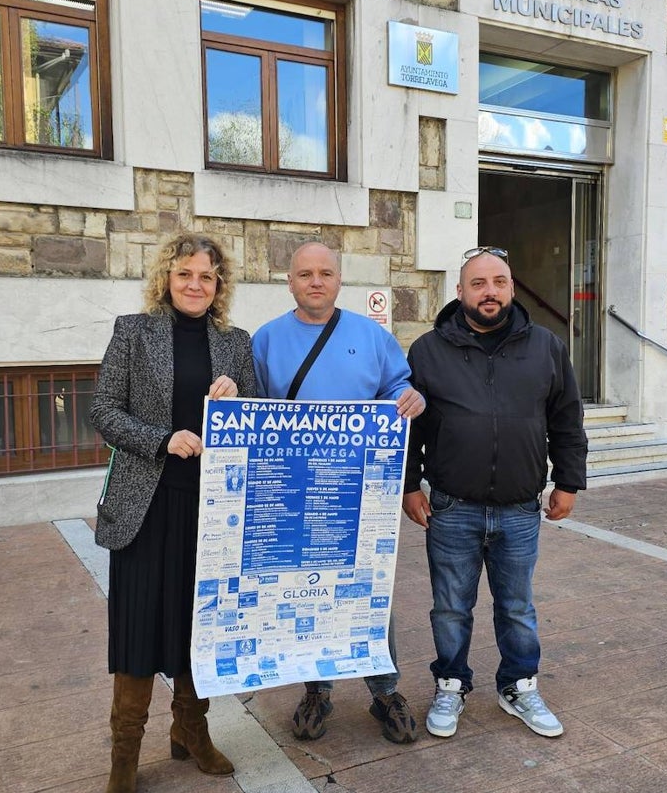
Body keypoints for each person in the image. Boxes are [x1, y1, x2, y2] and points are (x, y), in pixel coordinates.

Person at [90, 233, 257, 793]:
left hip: (211, 509)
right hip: (146, 506)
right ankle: (124, 756)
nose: (195, 284)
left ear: (218, 285)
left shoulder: (236, 343)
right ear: (167, 278)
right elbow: (104, 412)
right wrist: (162, 439)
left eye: (206, 277)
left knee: (199, 625)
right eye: (185, 274)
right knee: (137, 630)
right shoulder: (133, 333)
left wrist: (239, 399)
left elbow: (256, 422)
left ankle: (191, 732)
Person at [402, 245, 588, 741]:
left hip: (520, 509)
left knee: (517, 607)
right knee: (449, 607)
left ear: (511, 287)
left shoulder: (546, 345)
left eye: (499, 282)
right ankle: (450, 683)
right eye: (479, 283)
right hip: (450, 507)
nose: (490, 292)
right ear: (460, 291)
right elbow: (411, 429)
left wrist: (568, 481)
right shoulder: (427, 350)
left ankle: (519, 685)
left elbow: (567, 419)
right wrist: (407, 487)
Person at [252, 241, 426, 744]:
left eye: (325, 272)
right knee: (305, 590)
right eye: (305, 273)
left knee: (371, 591)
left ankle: (384, 689)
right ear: (290, 282)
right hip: (293, 493)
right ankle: (316, 687)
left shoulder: (370, 337)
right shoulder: (265, 340)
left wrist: (408, 397)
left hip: (359, 489)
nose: (315, 281)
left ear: (338, 280)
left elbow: (398, 386)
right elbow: (252, 407)